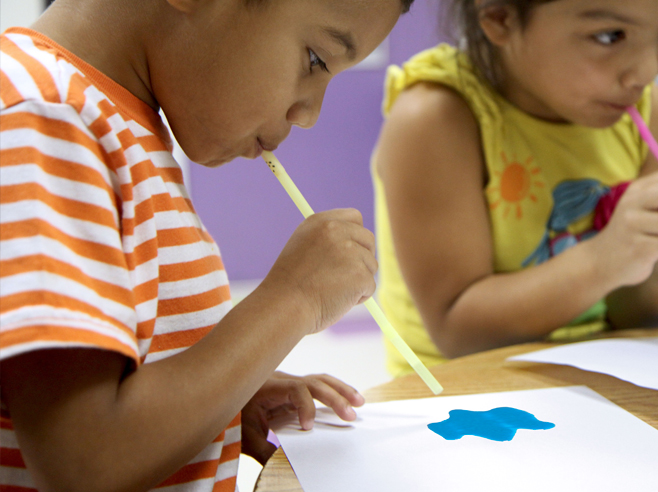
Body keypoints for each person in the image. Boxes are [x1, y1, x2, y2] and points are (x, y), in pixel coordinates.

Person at [0, 0, 412, 490]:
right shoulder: (44, 117)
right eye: (315, 60)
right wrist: (293, 298)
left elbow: (120, 378)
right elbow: (86, 459)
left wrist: (226, 402)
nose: (309, 115)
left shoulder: (116, 126)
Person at [372, 0, 658, 377]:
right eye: (609, 36)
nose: (644, 73)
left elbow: (633, 314)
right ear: (499, 17)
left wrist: (644, 254)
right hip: (462, 401)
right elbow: (457, 333)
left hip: (594, 387)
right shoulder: (434, 117)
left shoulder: (641, 110)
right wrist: (604, 260)